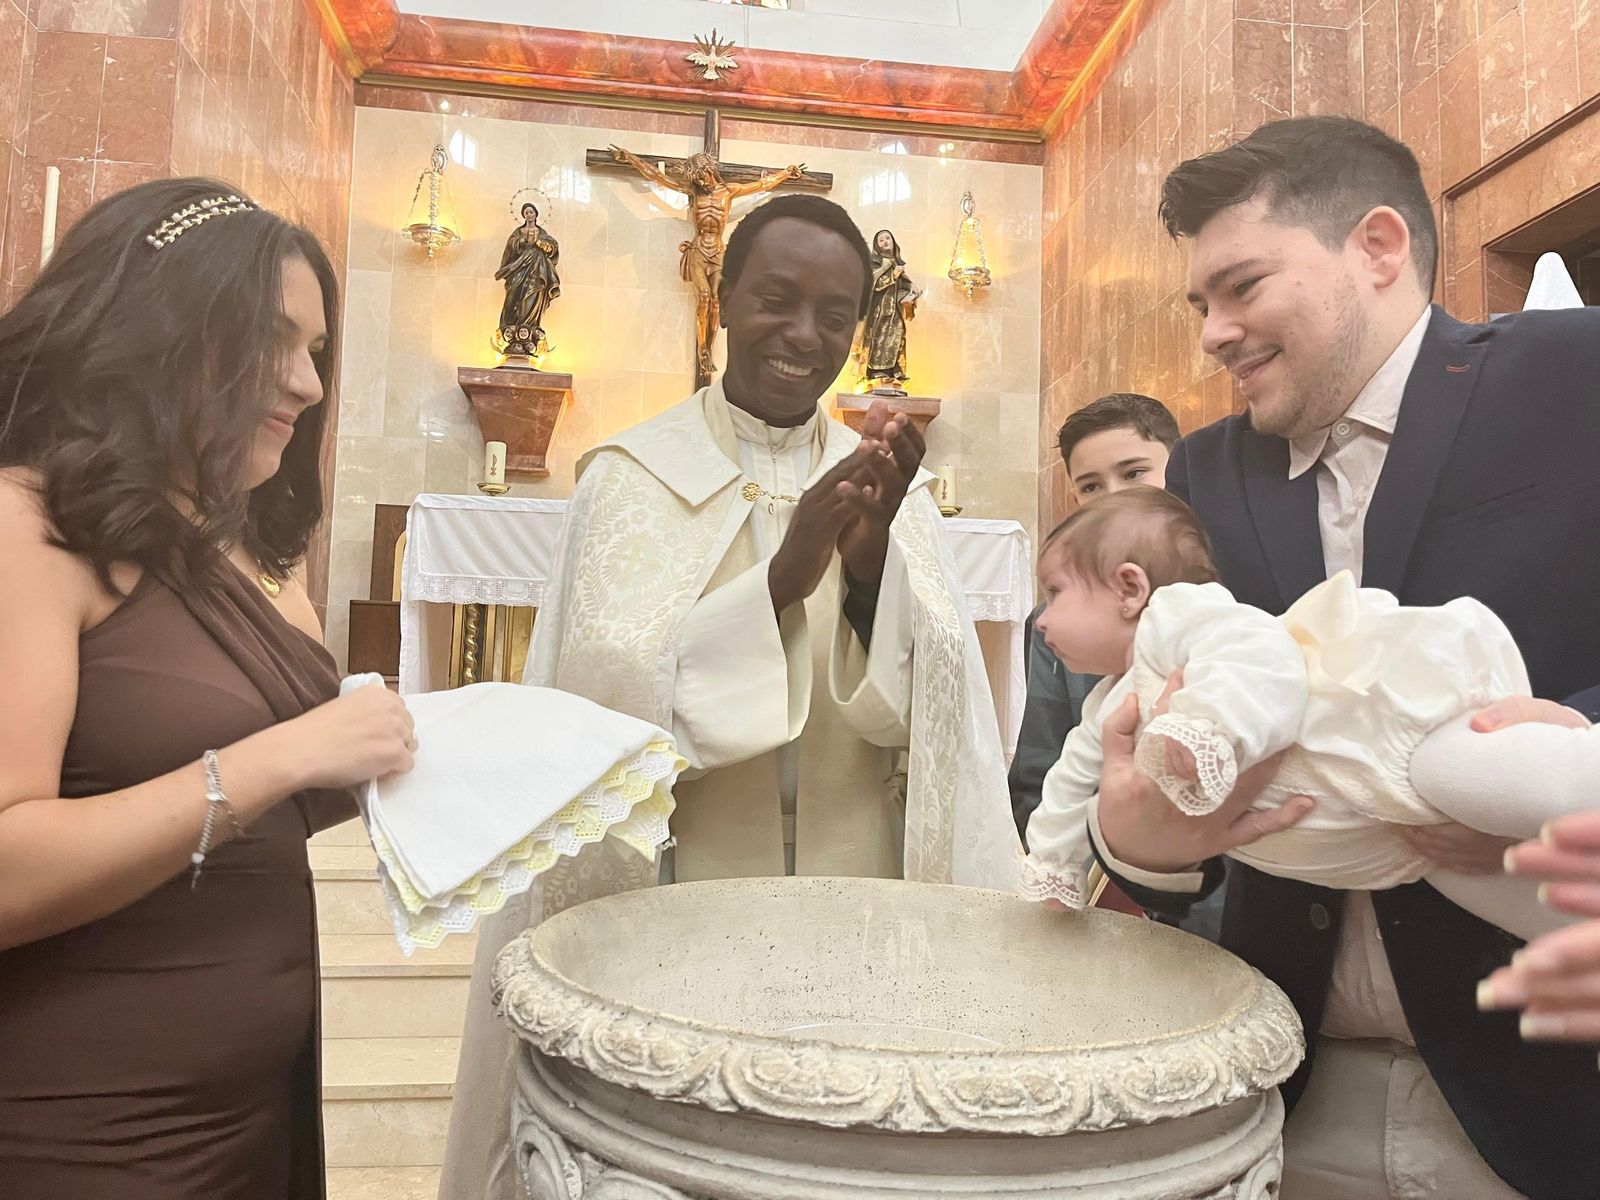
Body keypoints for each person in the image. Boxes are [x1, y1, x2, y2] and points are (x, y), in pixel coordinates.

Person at [440, 194, 1022, 1200]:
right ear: (723, 295)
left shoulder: (886, 480)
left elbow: (932, 721)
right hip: (679, 900)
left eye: (835, 315)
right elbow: (603, 711)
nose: (804, 336)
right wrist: (781, 583)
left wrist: (874, 569)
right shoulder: (629, 478)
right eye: (777, 299)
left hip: (858, 894)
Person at [1091, 116, 1600, 1199]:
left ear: (1376, 247)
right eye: (1199, 306)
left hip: (1549, 1100)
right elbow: (1186, 724)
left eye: (1241, 287)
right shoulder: (1207, 469)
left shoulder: (1572, 372)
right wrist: (1137, 842)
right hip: (1283, 1096)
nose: (1212, 335)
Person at [0, 179, 417, 1197]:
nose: (309, 383)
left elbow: (278, 806)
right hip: (90, 1124)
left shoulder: (248, 558)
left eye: (316, 350)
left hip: (250, 1109)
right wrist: (285, 755)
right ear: (160, 331)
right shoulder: (25, 529)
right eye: (276, 339)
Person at [1022, 487, 1593, 942]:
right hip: (1379, 834)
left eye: (1056, 593)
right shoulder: (1106, 705)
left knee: (1514, 779)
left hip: (1379, 749)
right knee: (1492, 886)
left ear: (1129, 587)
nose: (1042, 621)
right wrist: (1054, 872)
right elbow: (1069, 790)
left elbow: (1255, 652)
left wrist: (1205, 725)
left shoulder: (1178, 616)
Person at [1008, 392, 1177, 841]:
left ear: (1179, 470)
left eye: (1135, 473)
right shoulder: (1053, 625)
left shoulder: (1225, 596)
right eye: (1090, 486)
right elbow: (1038, 772)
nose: (1113, 498)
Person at [494, 202, 561, 358]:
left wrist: (542, 245)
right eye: (526, 212)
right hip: (519, 269)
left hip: (537, 273)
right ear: (523, 216)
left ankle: (528, 328)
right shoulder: (518, 233)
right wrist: (521, 242)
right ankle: (510, 327)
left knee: (532, 297)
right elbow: (510, 247)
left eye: (531, 212)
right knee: (513, 295)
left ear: (536, 214)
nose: (529, 215)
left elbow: (553, 247)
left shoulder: (542, 233)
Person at [858, 228, 918, 388]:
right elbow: (871, 284)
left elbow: (903, 287)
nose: (885, 241)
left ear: (893, 242)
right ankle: (877, 372)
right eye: (881, 240)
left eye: (888, 238)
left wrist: (912, 289)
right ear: (877, 246)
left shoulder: (898, 265)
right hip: (879, 310)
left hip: (895, 311)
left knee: (897, 338)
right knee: (880, 339)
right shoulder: (875, 264)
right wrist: (891, 273)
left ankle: (895, 370)